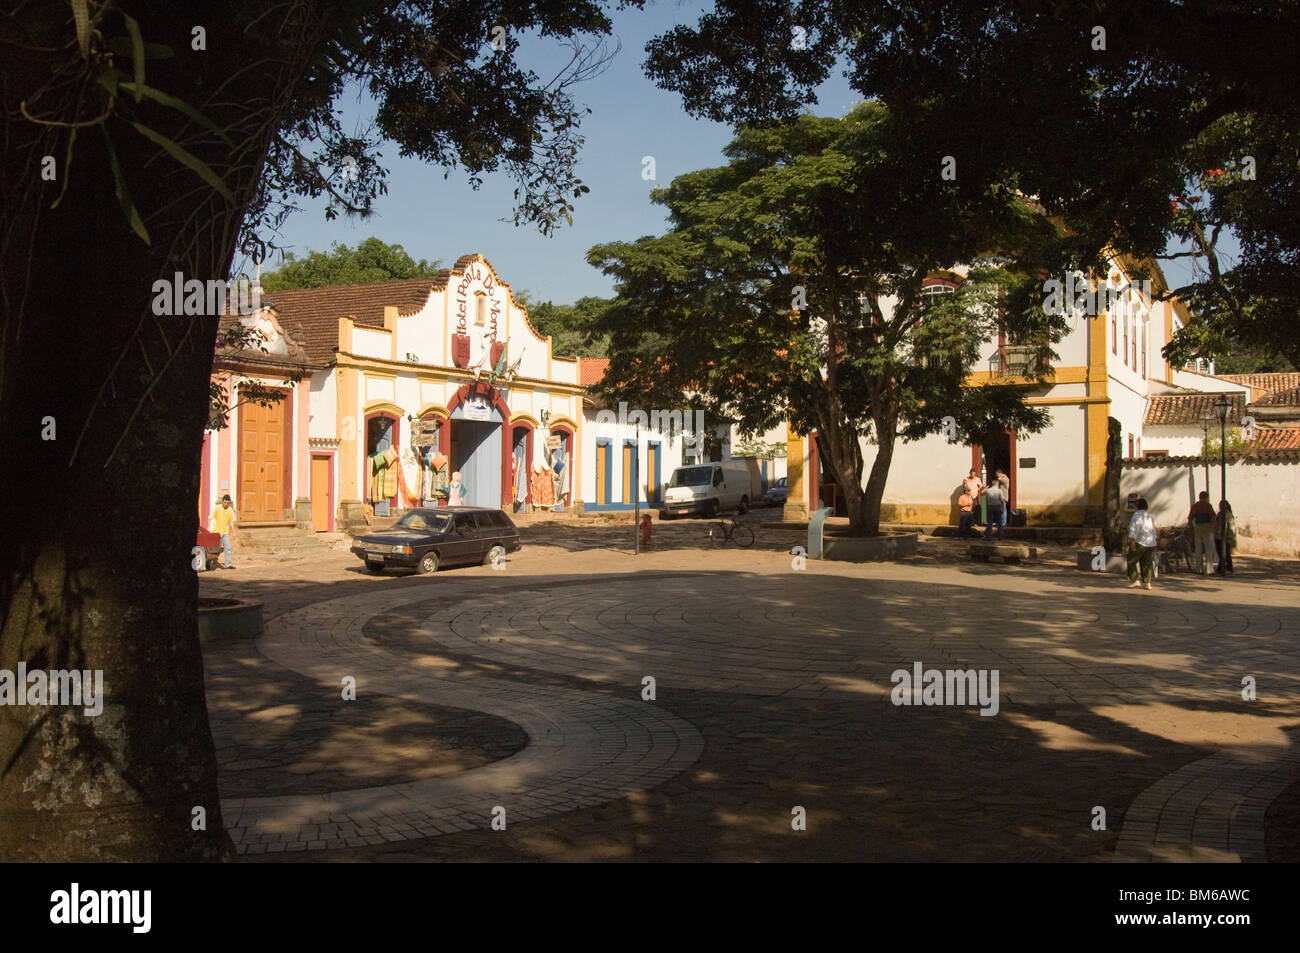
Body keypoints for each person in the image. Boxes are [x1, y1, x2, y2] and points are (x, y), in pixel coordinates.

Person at [1126, 497, 1158, 589]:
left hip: (1140, 541)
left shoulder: (1136, 516)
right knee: (1147, 563)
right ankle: (1147, 582)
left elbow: (1134, 529)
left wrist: (1131, 541)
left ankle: (1135, 580)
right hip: (1151, 542)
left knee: (1131, 561)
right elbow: (1153, 529)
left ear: (1137, 506)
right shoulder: (1149, 515)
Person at [1187, 490, 1216, 575]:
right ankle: (1209, 569)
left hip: (1197, 530)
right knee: (1208, 550)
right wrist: (1215, 528)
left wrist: (1192, 528)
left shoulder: (1195, 506)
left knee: (1198, 550)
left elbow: (1190, 519)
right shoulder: (1208, 506)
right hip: (1207, 530)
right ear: (1206, 498)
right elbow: (1212, 518)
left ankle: (1198, 568)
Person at [210, 494, 237, 570]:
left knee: (227, 548)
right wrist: (211, 529)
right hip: (217, 532)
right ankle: (213, 562)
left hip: (225, 532)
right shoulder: (217, 508)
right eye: (225, 502)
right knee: (215, 548)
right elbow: (211, 518)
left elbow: (231, 522)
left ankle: (228, 564)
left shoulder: (230, 510)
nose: (226, 504)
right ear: (222, 501)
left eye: (227, 503)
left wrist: (233, 532)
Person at [1214, 500, 1236, 575]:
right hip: (1218, 537)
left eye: (1222, 505)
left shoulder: (1228, 515)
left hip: (1225, 537)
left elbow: (1232, 527)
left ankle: (1228, 567)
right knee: (1220, 553)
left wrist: (1231, 537)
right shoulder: (1219, 514)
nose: (1220, 507)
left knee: (1226, 553)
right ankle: (1222, 567)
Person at [995, 469, 1011, 533]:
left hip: (1003, 497)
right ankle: (1000, 522)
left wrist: (1001, 476)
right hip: (1000, 497)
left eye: (997, 474)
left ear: (1000, 473)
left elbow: (999, 479)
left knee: (1003, 510)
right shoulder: (1004, 477)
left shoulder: (1005, 479)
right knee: (1000, 509)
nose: (996, 476)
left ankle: (1003, 522)